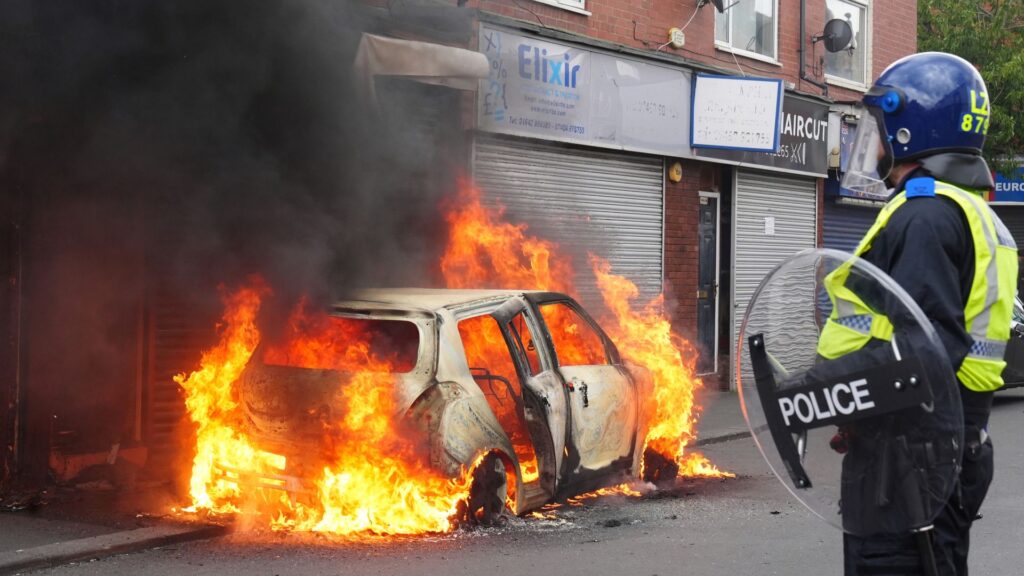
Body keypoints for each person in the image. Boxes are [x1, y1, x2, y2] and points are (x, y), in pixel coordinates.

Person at [818, 52, 1018, 575]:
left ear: (910, 130)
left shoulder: (924, 216)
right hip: (938, 445)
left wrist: (817, 388)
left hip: (907, 459)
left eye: (880, 128)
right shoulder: (967, 209)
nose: (875, 142)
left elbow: (926, 353)